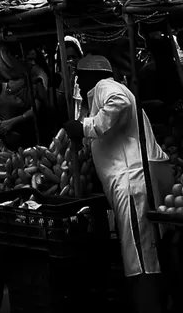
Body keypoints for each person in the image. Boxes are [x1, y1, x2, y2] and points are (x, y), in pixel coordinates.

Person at [65, 55, 169, 313]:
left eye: (80, 75)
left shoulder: (106, 88)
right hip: (131, 181)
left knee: (141, 254)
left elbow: (118, 104)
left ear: (92, 74)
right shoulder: (102, 92)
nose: (77, 80)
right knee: (142, 251)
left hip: (132, 181)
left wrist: (86, 126)